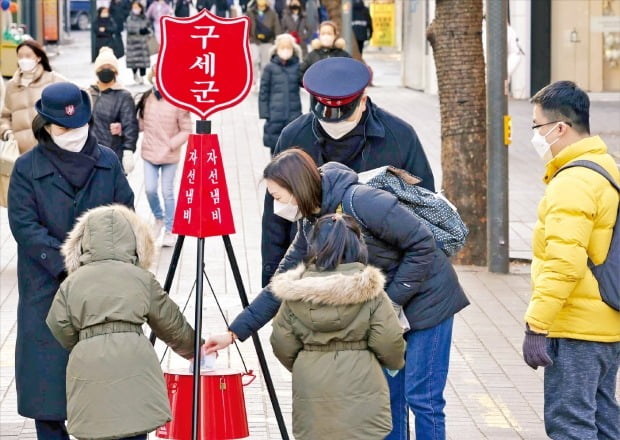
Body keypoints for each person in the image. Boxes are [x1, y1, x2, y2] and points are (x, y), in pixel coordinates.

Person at [207, 149, 469, 440]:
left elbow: (422, 245)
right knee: (391, 396)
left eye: (278, 197)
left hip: (429, 301)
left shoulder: (363, 202)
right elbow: (281, 284)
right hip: (390, 309)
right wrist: (233, 333)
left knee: (423, 397)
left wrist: (391, 301)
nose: (276, 207)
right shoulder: (311, 221)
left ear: (299, 188)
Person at [7, 82, 134, 440]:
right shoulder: (26, 168)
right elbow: (24, 226)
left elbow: (125, 216)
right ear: (46, 125)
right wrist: (66, 264)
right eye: (64, 128)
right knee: (46, 382)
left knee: (105, 383)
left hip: (102, 288)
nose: (72, 134)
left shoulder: (107, 162)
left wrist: (101, 262)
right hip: (46, 287)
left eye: (78, 126)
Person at [262, 57, 435, 289]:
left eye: (343, 113)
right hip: (310, 277)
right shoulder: (294, 136)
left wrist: (403, 291)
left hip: (380, 276)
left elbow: (426, 208)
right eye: (324, 112)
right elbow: (275, 218)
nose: (333, 122)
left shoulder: (399, 137)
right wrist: (271, 282)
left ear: (363, 101)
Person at [46, 204, 205, 440]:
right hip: (134, 359)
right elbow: (170, 322)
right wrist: (194, 348)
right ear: (132, 241)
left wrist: (85, 344)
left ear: (84, 241)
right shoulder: (141, 278)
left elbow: (58, 324)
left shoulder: (72, 282)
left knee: (95, 428)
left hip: (89, 362)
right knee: (135, 426)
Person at [522, 80, 620, 440]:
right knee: (604, 420)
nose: (535, 136)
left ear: (559, 128)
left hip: (577, 327)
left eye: (536, 127)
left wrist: (537, 325)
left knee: (570, 424)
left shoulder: (573, 181)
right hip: (605, 323)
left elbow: (564, 262)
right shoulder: (605, 166)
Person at [270, 212, 405, 439]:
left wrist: (306, 362)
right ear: (358, 246)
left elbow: (281, 342)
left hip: (312, 384)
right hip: (363, 382)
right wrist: (393, 362)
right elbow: (389, 342)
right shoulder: (370, 291)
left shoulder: (294, 294)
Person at [136, 67, 192, 246]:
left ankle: (170, 229)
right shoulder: (147, 98)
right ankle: (159, 218)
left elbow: (186, 130)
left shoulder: (179, 101)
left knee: (167, 191)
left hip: (169, 154)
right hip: (150, 152)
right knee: (150, 189)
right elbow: (141, 124)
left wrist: (171, 144)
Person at [0, 40, 65, 154]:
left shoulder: (53, 79)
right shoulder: (11, 86)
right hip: (22, 154)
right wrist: (7, 133)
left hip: (50, 151)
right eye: (20, 56)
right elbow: (5, 117)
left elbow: (79, 96)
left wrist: (63, 128)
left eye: (28, 56)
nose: (23, 60)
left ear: (38, 58)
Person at [88, 47, 139, 174]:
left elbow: (130, 125)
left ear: (115, 72)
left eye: (110, 67)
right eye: (102, 67)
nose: (106, 71)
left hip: (113, 154)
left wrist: (128, 152)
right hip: (88, 155)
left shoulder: (123, 96)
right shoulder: (89, 93)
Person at [259, 33, 302, 155]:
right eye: (282, 48)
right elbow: (263, 91)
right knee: (276, 148)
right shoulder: (270, 68)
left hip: (293, 113)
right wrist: (265, 113)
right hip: (274, 115)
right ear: (276, 49)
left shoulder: (297, 66)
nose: (285, 51)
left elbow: (304, 83)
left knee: (293, 147)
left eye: (288, 48)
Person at [247, 0, 282, 86]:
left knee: (265, 63)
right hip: (254, 40)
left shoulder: (272, 13)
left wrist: (277, 41)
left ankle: (264, 81)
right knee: (254, 60)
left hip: (268, 41)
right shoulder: (250, 12)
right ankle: (253, 81)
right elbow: (246, 25)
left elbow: (277, 27)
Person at [125, 1, 151, 85]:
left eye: (137, 7)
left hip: (143, 43)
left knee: (143, 62)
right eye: (134, 7)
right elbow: (129, 28)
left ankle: (142, 76)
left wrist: (147, 32)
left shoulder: (145, 18)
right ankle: (135, 74)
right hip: (133, 43)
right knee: (134, 62)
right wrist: (139, 30)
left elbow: (149, 28)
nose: (136, 9)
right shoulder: (129, 18)